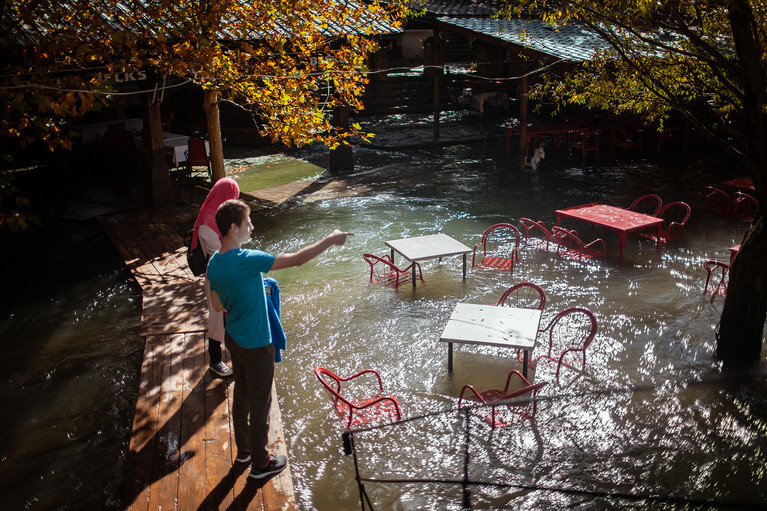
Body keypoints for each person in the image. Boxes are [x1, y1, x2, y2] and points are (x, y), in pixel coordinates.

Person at [207, 199, 352, 480]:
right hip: (258, 344)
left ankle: (244, 452)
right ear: (234, 227)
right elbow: (296, 259)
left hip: (234, 338)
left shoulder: (215, 262)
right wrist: (331, 239)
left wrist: (246, 291)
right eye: (248, 222)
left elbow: (216, 305)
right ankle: (261, 465)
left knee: (243, 397)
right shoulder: (248, 261)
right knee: (260, 404)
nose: (252, 226)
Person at [191, 177, 240, 377]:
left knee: (231, 316)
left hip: (228, 272)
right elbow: (222, 251)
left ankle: (237, 356)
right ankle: (215, 360)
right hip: (218, 276)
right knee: (217, 318)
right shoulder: (208, 222)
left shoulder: (218, 216)